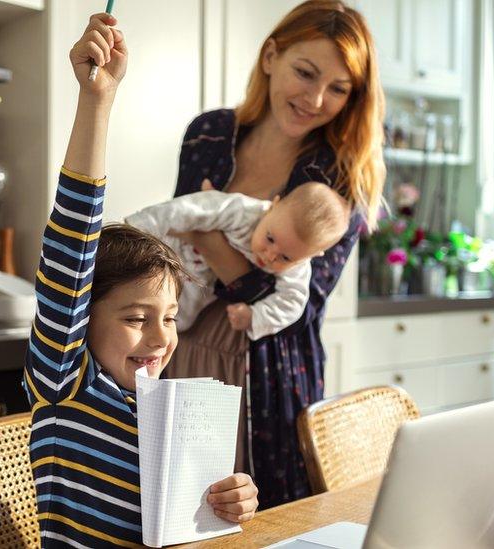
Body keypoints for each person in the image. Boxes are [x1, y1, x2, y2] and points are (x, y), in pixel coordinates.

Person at [24, 13, 259, 547]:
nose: (160, 339)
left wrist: (233, 498)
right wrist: (97, 101)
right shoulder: (67, 382)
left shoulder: (165, 406)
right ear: (81, 316)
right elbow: (71, 241)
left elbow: (196, 524)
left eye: (170, 318)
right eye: (135, 319)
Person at [170, 0, 386, 508]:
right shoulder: (208, 134)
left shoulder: (341, 176)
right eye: (305, 73)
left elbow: (294, 300)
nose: (315, 99)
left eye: (339, 89)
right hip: (182, 349)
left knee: (270, 520)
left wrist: (210, 239)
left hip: (272, 374)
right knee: (181, 511)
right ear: (270, 56)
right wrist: (207, 247)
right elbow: (174, 249)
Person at [125, 181, 349, 340]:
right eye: (270, 238)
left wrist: (255, 316)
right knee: (135, 279)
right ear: (273, 205)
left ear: (310, 257)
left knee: (177, 319)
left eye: (285, 257)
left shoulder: (299, 265)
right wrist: (138, 228)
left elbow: (293, 302)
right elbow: (187, 209)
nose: (270, 256)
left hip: (201, 280)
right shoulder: (242, 210)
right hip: (174, 248)